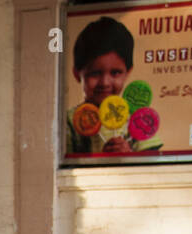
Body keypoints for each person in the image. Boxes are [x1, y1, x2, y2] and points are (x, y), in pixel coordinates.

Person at [66, 16, 162, 155]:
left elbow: (152, 163)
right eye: (95, 73)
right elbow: (64, 167)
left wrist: (129, 155)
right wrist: (100, 159)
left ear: (128, 72)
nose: (105, 82)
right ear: (77, 74)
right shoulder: (71, 120)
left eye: (115, 72)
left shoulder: (136, 118)